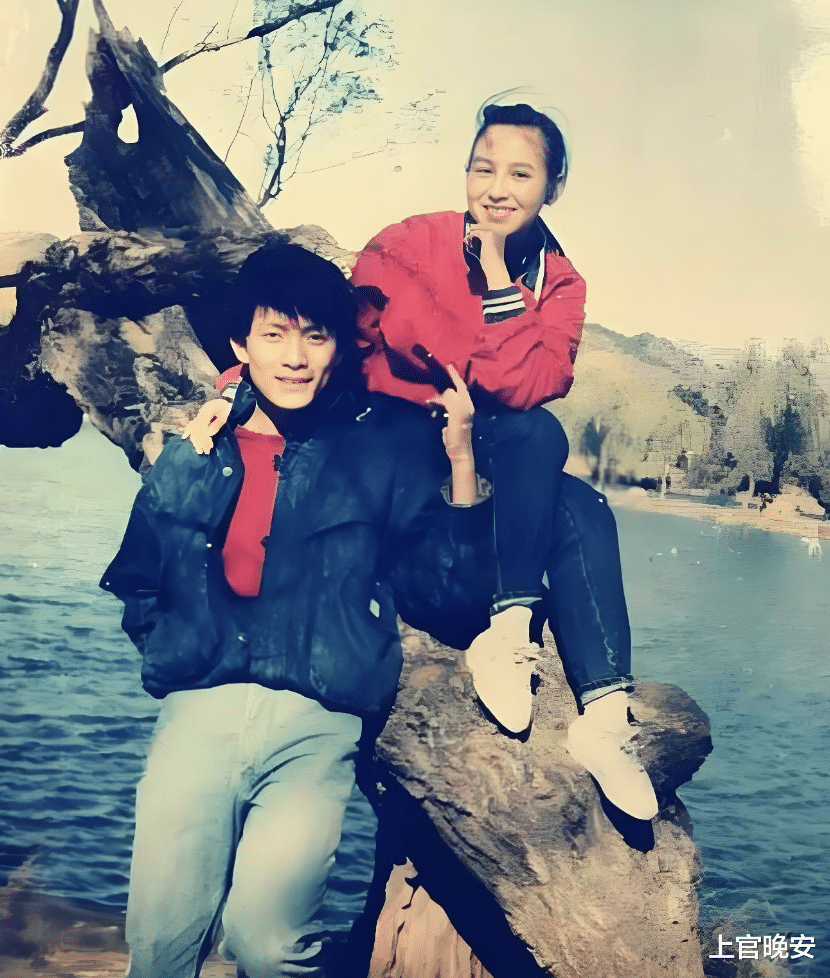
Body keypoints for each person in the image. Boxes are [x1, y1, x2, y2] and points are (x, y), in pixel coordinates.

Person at [186, 94, 658, 822]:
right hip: (395, 441)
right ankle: (510, 628)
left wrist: (497, 277)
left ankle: (600, 712)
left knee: (562, 472)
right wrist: (235, 389)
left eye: (521, 174)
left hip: (488, 446)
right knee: (544, 454)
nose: (496, 189)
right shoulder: (409, 245)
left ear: (553, 187)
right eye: (482, 168)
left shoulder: (559, 283)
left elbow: (530, 385)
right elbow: (322, 338)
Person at [101, 242, 495, 978]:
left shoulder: (380, 449)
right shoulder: (202, 446)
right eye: (274, 334)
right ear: (240, 344)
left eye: (315, 336)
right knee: (160, 948)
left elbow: (453, 599)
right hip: (200, 712)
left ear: (339, 346)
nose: (294, 357)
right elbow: (140, 577)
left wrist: (463, 462)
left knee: (269, 943)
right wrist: (182, 652)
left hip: (316, 727)